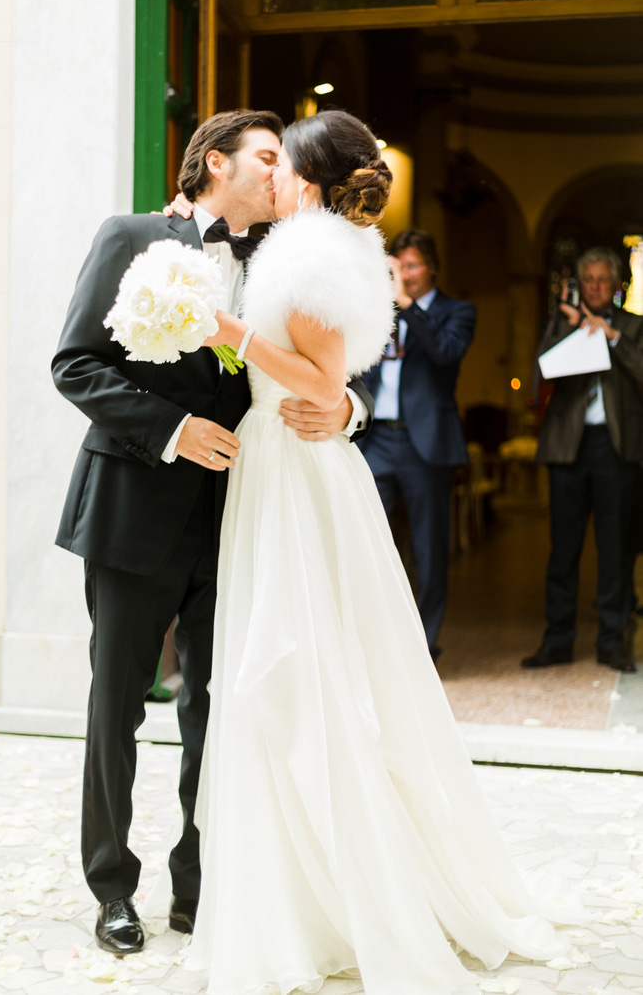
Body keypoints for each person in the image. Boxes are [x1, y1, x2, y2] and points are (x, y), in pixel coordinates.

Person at [181, 111, 571, 995]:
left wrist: (227, 333)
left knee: (299, 666)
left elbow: (322, 380)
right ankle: (294, 893)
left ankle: (322, 897)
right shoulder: (333, 244)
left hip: (293, 465)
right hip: (296, 454)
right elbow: (341, 384)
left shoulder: (311, 252)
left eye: (283, 162)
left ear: (309, 177)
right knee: (308, 664)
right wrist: (340, 402)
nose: (271, 173)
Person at [51, 109, 373, 956]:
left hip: (239, 520)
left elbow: (318, 366)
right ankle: (112, 887)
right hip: (132, 510)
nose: (278, 174)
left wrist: (346, 407)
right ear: (212, 161)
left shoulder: (281, 261)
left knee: (216, 712)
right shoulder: (130, 236)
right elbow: (75, 363)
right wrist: (172, 429)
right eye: (265, 158)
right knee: (116, 703)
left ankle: (199, 884)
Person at [522, 247, 643, 673]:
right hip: (567, 447)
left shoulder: (634, 326)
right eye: (587, 279)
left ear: (615, 286)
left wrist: (612, 337)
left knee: (615, 549)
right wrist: (572, 332)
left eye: (601, 280)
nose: (594, 286)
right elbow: (540, 371)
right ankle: (557, 640)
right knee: (563, 549)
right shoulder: (561, 320)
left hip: (617, 447)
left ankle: (613, 641)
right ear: (580, 284)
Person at [359, 229, 476, 661]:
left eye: (411, 266)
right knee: (364, 538)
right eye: (397, 267)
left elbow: (446, 353)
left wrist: (408, 309)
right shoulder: (376, 309)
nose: (403, 275)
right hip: (376, 440)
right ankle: (372, 640)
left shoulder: (456, 311)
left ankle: (424, 645)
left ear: (431, 268)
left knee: (430, 548)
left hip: (425, 442)